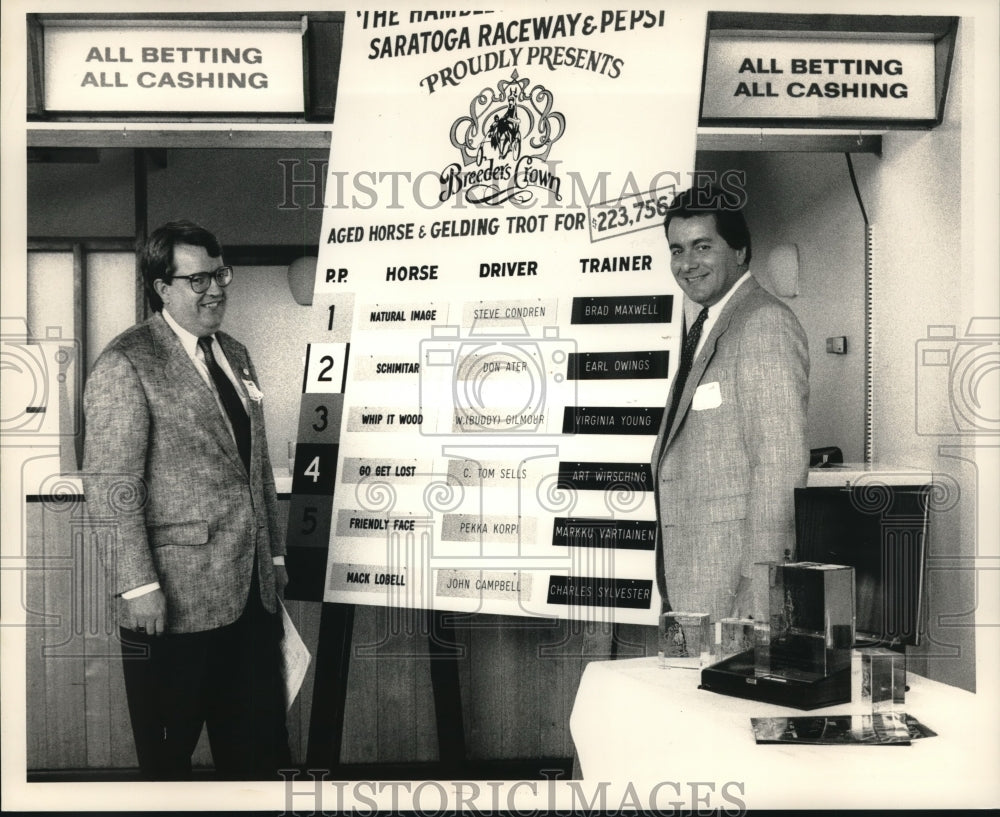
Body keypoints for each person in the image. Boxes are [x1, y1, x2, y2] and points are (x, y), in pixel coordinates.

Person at [82, 220, 289, 780]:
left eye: (219, 274)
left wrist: (274, 559)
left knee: (258, 756)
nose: (215, 289)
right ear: (161, 287)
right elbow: (110, 485)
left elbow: (256, 470)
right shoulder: (127, 362)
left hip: (251, 599)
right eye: (197, 280)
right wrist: (138, 585)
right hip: (171, 604)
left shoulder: (236, 354)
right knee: (168, 763)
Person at [650, 187, 809, 623]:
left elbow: (780, 464)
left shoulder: (763, 323)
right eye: (677, 250)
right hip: (694, 579)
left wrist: (760, 584)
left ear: (739, 250)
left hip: (733, 589)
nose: (687, 264)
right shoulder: (709, 324)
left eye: (703, 246)